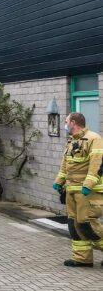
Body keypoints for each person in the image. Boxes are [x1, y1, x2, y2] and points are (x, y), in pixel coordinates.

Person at [53, 112, 103, 267]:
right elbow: (65, 164)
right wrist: (59, 181)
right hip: (72, 190)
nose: (65, 124)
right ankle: (82, 258)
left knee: (87, 224)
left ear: (73, 122)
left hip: (88, 192)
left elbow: (97, 164)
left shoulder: (94, 139)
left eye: (66, 121)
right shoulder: (71, 141)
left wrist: (88, 185)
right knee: (74, 225)